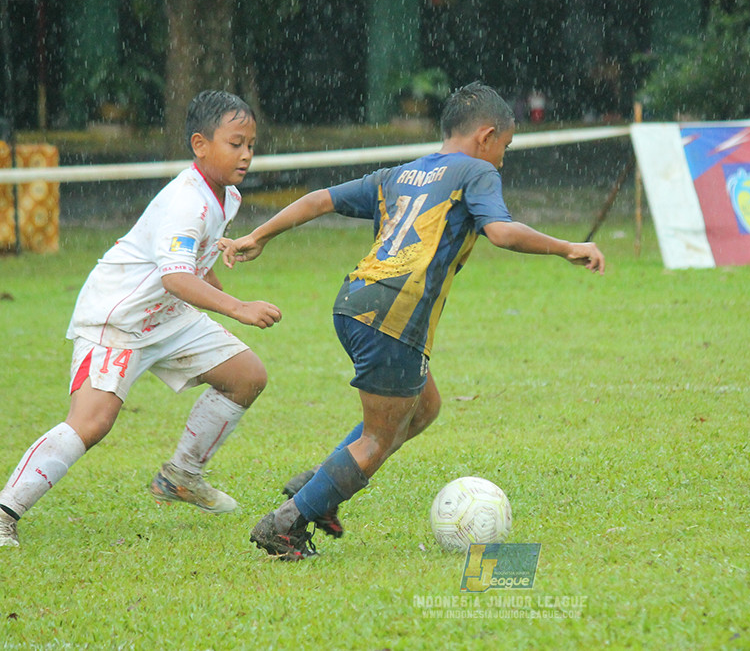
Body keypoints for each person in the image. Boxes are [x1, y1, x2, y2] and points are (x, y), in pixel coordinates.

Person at [224, 81, 605, 560]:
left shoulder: (401, 175)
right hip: (393, 315)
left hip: (353, 302)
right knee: (379, 438)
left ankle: (319, 487)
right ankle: (286, 524)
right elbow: (503, 233)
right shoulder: (476, 171)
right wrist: (568, 246)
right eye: (505, 148)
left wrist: (258, 236)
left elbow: (321, 198)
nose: (502, 160)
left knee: (424, 407)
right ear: (486, 136)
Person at [0, 90, 282, 548]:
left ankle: (182, 476)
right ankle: (4, 510)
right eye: (236, 143)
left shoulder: (226, 195)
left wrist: (219, 291)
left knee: (246, 376)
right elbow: (174, 277)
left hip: (169, 316)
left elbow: (195, 259)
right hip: (119, 319)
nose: (247, 154)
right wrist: (238, 308)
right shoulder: (185, 201)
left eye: (251, 143)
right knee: (92, 422)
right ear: (200, 144)